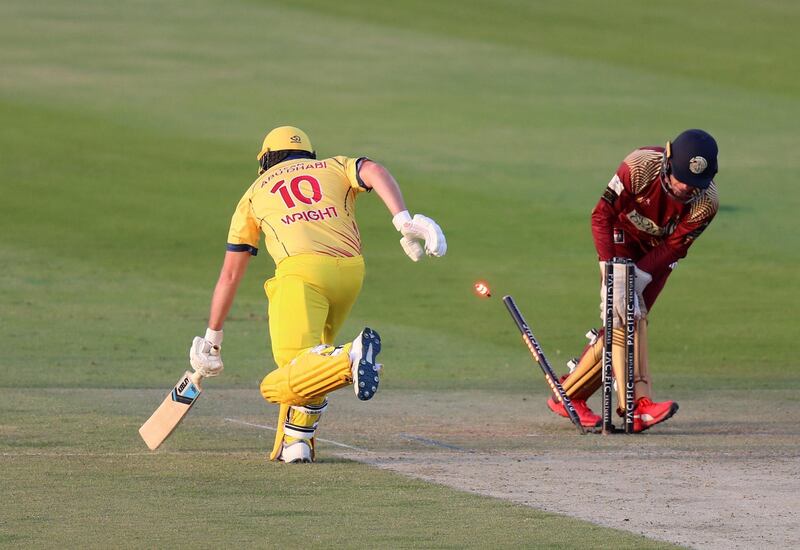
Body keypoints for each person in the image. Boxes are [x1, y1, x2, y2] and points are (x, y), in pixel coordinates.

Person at [188, 126, 446, 462]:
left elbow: (231, 274)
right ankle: (297, 443)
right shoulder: (333, 165)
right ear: (308, 154)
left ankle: (350, 355)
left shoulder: (253, 194)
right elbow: (375, 170)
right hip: (351, 273)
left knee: (282, 379)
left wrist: (213, 337)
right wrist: (402, 220)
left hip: (302, 276)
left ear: (265, 161)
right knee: (312, 365)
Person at [547, 129, 719, 432]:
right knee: (627, 316)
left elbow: (676, 246)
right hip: (620, 236)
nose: (683, 188)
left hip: (658, 254)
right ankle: (639, 406)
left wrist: (638, 278)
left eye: (692, 184)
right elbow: (601, 215)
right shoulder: (639, 166)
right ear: (667, 159)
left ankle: (569, 394)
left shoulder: (706, 202)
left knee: (628, 317)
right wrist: (608, 272)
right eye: (679, 177)